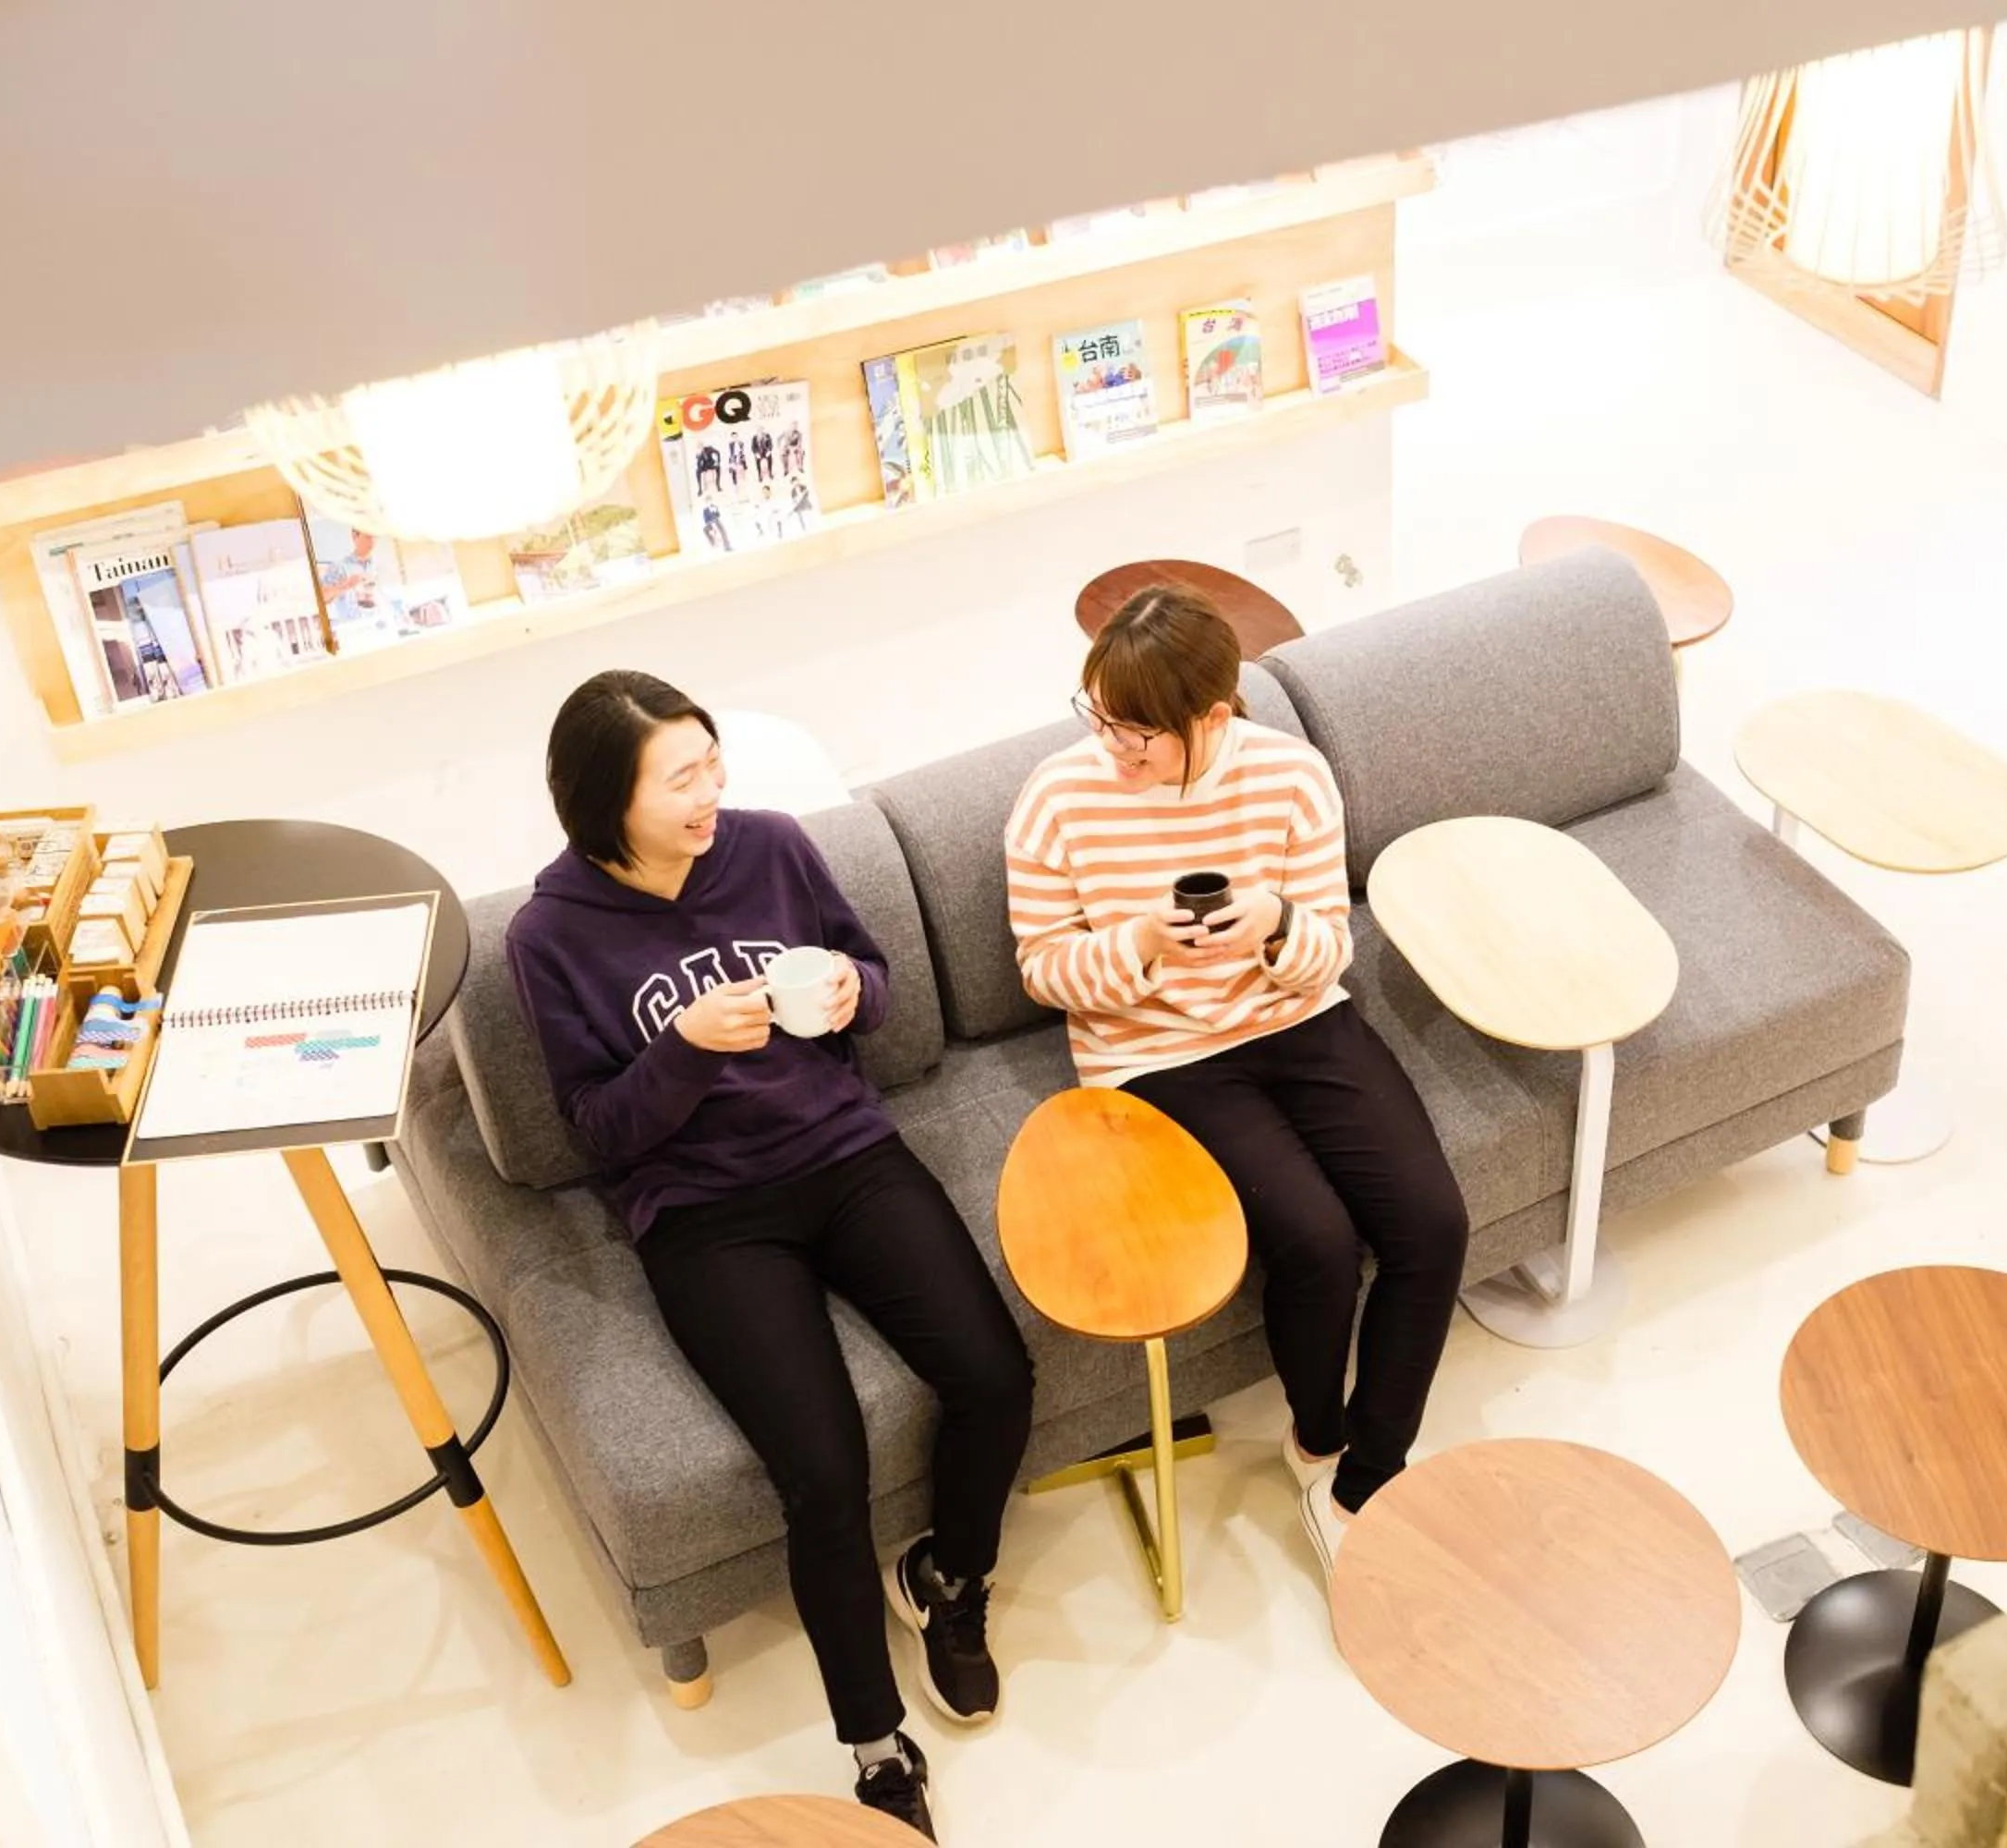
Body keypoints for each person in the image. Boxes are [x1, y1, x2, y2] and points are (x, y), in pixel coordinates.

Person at [508, 670, 1031, 1839]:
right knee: (823, 1472)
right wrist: (687, 1049)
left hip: (844, 1155)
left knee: (995, 1374)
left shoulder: (772, 847)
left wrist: (855, 990)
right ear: (606, 799)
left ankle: (950, 1579)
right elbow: (595, 1128)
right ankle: (874, 1742)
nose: (713, 793)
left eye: (713, 762)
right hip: (704, 1215)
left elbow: (874, 978)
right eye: (681, 777)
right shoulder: (550, 935)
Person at [1004, 588, 1470, 1578]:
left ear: (1211, 716)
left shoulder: (1290, 777)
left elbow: (1329, 948)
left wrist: (1275, 927)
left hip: (1297, 1018)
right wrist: (1133, 944)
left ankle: (1364, 1480)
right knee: (1316, 1236)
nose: (1115, 749)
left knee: (1432, 1222)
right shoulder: (1057, 796)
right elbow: (1043, 968)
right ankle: (1317, 1430)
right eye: (1103, 721)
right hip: (1154, 1053)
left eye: (1139, 735)